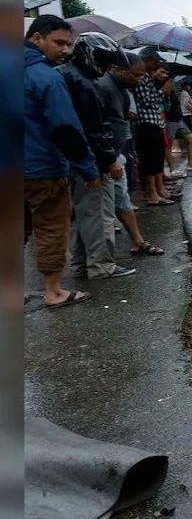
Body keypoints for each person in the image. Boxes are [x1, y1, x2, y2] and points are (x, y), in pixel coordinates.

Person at [24, 15, 100, 308]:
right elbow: (66, 129)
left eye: (68, 44)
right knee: (51, 229)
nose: (65, 50)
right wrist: (88, 169)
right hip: (43, 169)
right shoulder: (47, 78)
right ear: (37, 39)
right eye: (59, 43)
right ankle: (53, 291)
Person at [58, 31, 136, 280]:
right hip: (90, 160)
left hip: (71, 159)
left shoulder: (65, 75)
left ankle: (82, 264)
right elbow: (93, 130)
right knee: (99, 213)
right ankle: (101, 265)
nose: (105, 68)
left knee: (80, 215)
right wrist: (109, 159)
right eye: (104, 62)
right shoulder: (84, 84)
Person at [97, 51, 164, 257]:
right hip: (105, 157)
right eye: (136, 75)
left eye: (141, 75)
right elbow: (98, 127)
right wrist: (109, 158)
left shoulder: (123, 90)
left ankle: (137, 242)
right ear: (119, 70)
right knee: (104, 209)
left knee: (122, 200)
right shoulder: (103, 88)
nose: (139, 79)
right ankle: (102, 263)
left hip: (115, 154)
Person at [132, 48, 176, 205]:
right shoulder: (141, 77)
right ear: (147, 60)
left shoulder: (149, 78)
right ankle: (152, 194)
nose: (157, 65)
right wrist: (162, 91)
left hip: (155, 122)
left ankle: (159, 190)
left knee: (157, 158)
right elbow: (147, 101)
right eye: (155, 61)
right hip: (146, 123)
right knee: (150, 160)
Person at [166, 78, 192, 173]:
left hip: (179, 119)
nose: (172, 84)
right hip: (170, 121)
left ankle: (191, 163)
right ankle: (172, 168)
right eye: (170, 82)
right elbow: (165, 107)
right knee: (168, 145)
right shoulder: (163, 93)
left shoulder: (175, 92)